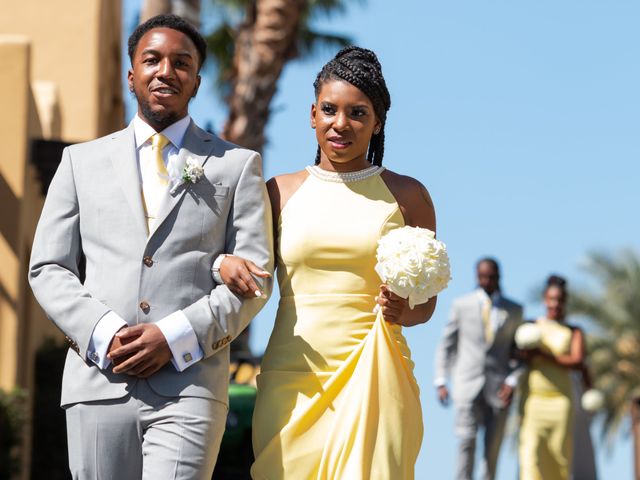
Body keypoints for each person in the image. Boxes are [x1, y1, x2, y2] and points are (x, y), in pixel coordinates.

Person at [28, 14, 273, 479]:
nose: (166, 71)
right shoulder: (79, 162)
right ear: (131, 75)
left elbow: (255, 279)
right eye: (152, 60)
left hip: (190, 386)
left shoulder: (237, 166)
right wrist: (104, 333)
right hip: (97, 381)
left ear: (197, 81)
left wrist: (174, 337)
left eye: (181, 63)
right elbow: (48, 268)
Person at [217, 46, 437, 479]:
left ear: (377, 123)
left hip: (376, 373)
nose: (341, 124)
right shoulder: (278, 191)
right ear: (313, 114)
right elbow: (243, 266)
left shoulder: (409, 196)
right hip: (292, 377)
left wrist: (405, 311)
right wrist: (223, 263)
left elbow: (426, 304)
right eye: (330, 110)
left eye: (358, 113)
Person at [434, 258, 523, 480]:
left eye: (491, 277)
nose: (487, 280)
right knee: (466, 440)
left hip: (499, 388)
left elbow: (520, 354)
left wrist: (512, 381)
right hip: (467, 384)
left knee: (492, 448)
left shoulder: (515, 310)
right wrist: (441, 380)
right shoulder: (461, 305)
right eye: (482, 276)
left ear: (498, 277)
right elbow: (447, 344)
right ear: (477, 276)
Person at [518, 275, 586, 480]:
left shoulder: (573, 331)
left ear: (565, 302)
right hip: (533, 400)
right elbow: (517, 357)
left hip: (560, 401)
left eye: (559, 300)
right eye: (551, 299)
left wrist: (545, 356)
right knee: (530, 455)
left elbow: (577, 361)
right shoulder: (531, 326)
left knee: (559, 457)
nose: (555, 304)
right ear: (544, 299)